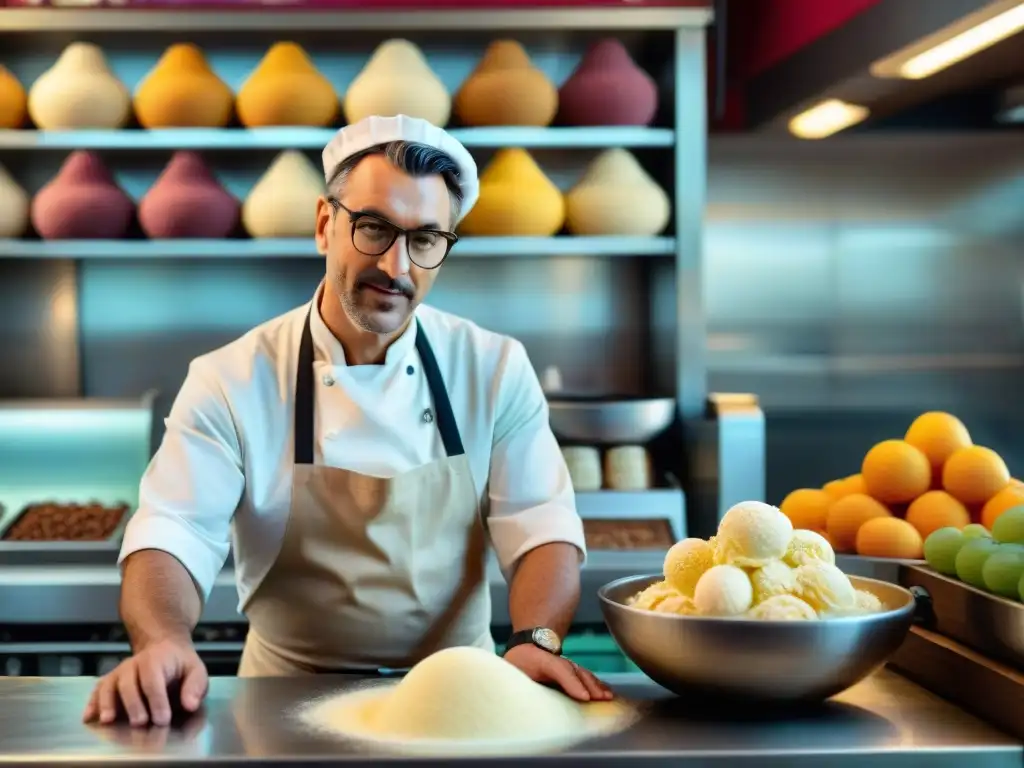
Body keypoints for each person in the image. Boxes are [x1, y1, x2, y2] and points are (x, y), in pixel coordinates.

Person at [83, 115, 610, 728]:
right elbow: (173, 531)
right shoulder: (232, 378)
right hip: (284, 708)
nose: (398, 266)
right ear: (325, 224)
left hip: (460, 705)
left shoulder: (493, 367)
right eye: (374, 228)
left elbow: (540, 524)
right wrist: (163, 640)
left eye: (426, 239)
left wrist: (536, 639)